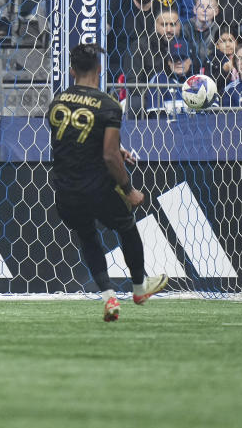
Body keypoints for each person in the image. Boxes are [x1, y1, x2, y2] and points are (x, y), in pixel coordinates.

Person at [47, 43, 167, 323]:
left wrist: (115, 148)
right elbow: (110, 157)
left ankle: (109, 297)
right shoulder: (108, 105)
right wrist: (129, 189)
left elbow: (74, 139)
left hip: (65, 190)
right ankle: (139, 288)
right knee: (126, 225)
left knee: (87, 235)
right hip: (97, 187)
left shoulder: (57, 102)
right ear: (100, 70)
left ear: (71, 70)